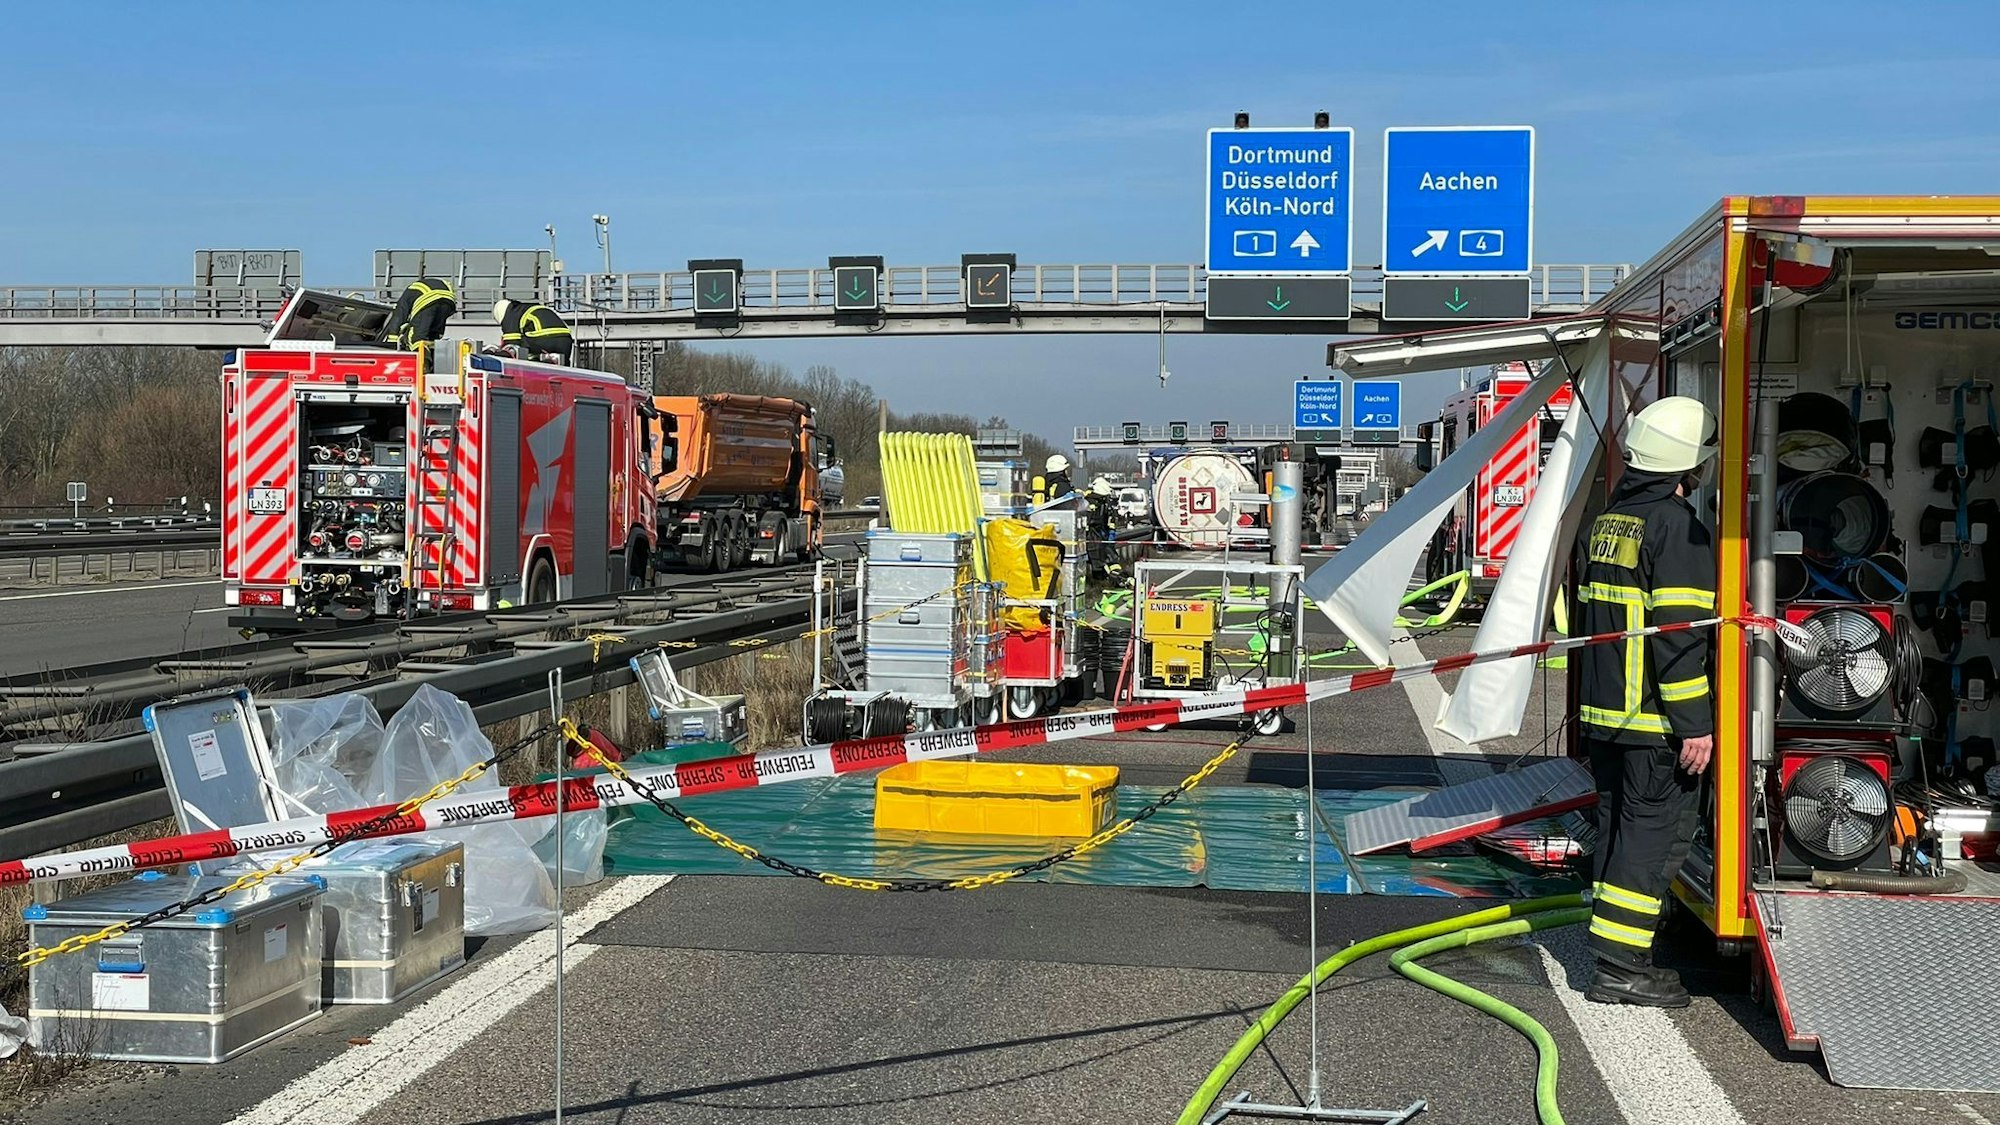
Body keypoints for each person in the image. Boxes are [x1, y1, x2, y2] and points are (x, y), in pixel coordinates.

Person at [1575, 395, 1719, 1008]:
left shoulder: (1608, 521)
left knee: (1618, 831)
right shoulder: (1676, 527)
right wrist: (1695, 724)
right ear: (1689, 464)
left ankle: (1611, 953)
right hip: (1655, 719)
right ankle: (1623, 967)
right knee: (1652, 838)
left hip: (1606, 717)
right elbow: (1678, 637)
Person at [380, 277, 457, 350]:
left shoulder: (406, 297)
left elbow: (399, 316)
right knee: (432, 337)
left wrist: (392, 339)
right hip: (449, 300)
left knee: (417, 339)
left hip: (428, 299)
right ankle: (433, 355)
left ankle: (423, 359)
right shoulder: (414, 289)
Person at [492, 299, 574, 363]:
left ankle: (533, 358)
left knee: (518, 347)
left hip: (543, 338)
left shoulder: (511, 315)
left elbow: (512, 342)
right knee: (563, 363)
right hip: (566, 339)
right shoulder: (524, 309)